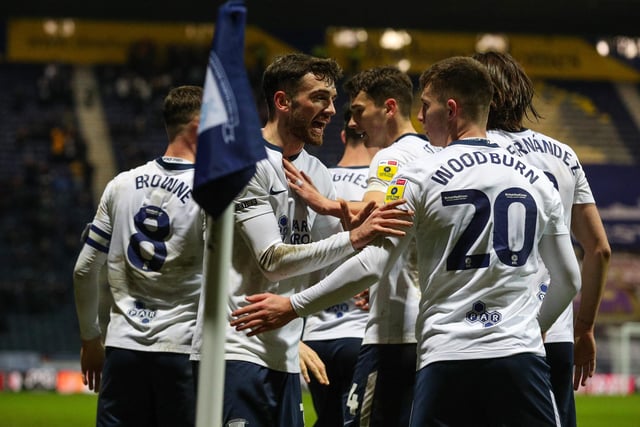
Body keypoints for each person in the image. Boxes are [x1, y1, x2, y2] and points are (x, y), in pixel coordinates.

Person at [230, 56, 583, 426]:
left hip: (447, 356)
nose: (420, 119)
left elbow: (373, 262)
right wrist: (530, 325)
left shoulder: (416, 175)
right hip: (520, 356)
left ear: (450, 110)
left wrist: (294, 305)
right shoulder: (537, 180)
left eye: (426, 107)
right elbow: (570, 279)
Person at [189, 53, 413, 427]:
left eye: (332, 98)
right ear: (282, 102)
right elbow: (273, 260)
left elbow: (321, 265)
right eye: (319, 98)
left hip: (286, 356)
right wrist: (354, 238)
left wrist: (362, 276)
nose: (331, 109)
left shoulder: (317, 173)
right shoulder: (244, 164)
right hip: (232, 351)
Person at [284, 65, 437, 427]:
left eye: (357, 111)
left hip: (391, 332)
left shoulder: (390, 158)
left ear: (388, 108)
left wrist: (326, 204)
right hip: (431, 332)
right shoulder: (439, 155)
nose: (352, 123)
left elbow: (372, 221)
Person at [473, 50, 612, 427]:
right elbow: (598, 249)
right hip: (556, 332)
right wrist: (584, 328)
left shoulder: (470, 153)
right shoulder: (564, 155)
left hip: (486, 331)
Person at [73, 85, 206, 427]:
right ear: (196, 126)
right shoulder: (211, 192)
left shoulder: (121, 184)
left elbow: (84, 269)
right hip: (182, 350)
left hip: (122, 350)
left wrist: (91, 339)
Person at [301, 107, 379, 427]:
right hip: (361, 333)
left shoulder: (319, 182)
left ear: (344, 136)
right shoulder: (383, 190)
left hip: (315, 334)